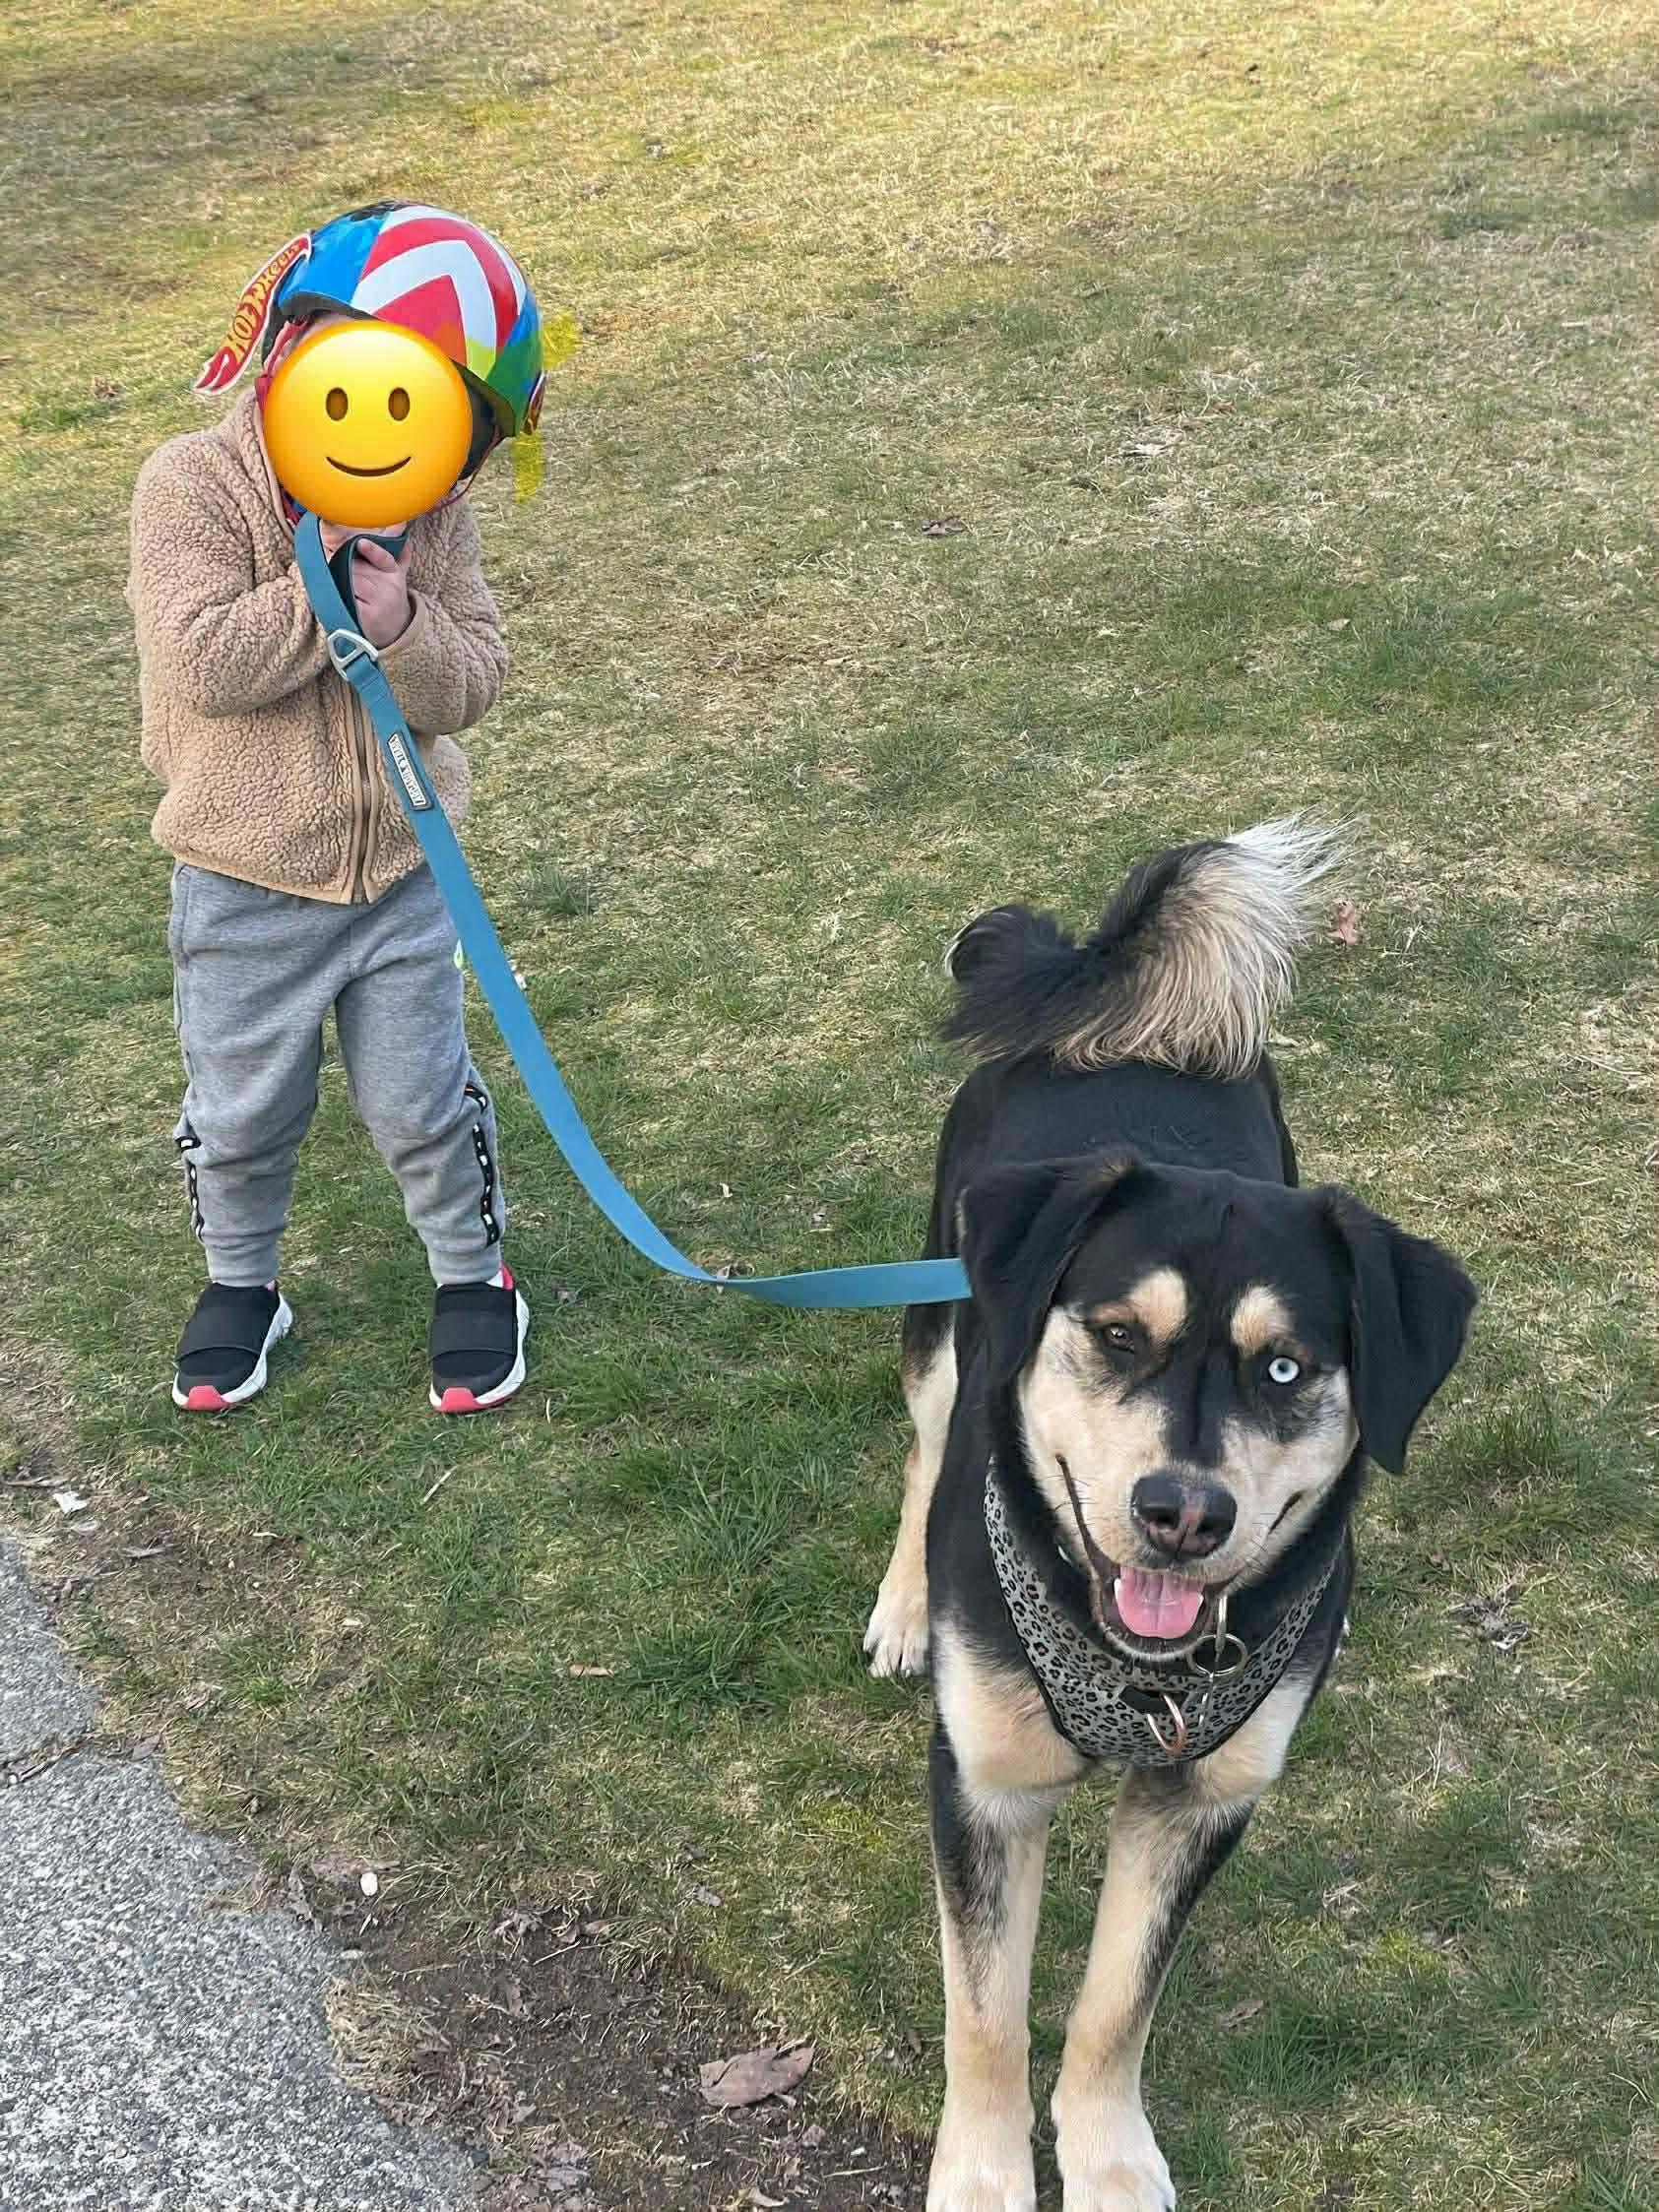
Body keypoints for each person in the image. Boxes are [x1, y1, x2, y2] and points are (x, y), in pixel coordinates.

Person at [129, 202, 547, 1415]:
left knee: (423, 1101)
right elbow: (202, 660)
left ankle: (475, 1277)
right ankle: (240, 1281)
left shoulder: (430, 513)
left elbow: (471, 680)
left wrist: (405, 619)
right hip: (241, 883)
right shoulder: (192, 486)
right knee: (243, 1110)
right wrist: (325, 589)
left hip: (402, 878)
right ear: (292, 350)